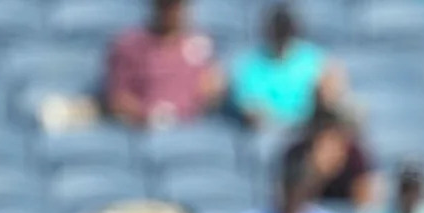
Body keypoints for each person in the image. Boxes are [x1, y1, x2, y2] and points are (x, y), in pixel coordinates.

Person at [104, 0, 225, 128]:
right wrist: (149, 116)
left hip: (189, 128)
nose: (171, 12)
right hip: (143, 129)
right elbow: (118, 98)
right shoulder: (130, 45)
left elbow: (210, 90)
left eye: (176, 6)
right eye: (165, 5)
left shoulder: (200, 44)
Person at [229, 2, 342, 130]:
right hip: (264, 131)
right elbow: (249, 108)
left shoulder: (313, 60)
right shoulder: (249, 65)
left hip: (307, 129)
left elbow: (332, 90)